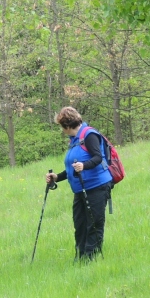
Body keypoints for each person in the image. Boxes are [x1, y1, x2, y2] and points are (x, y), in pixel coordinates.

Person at [45, 106, 113, 263]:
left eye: (62, 127)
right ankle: (80, 257)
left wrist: (84, 165)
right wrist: (56, 177)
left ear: (67, 125)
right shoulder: (74, 140)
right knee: (80, 223)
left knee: (94, 224)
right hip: (80, 189)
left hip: (97, 186)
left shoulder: (89, 135)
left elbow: (98, 158)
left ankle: (91, 258)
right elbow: (72, 168)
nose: (62, 130)